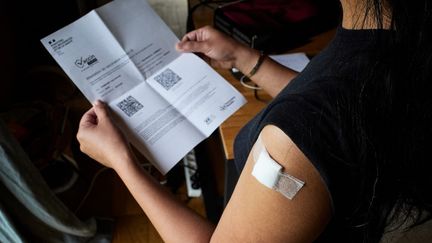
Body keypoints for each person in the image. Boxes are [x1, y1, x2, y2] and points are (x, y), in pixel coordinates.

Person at [76, 0, 432, 242]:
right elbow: (344, 117)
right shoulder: (402, 36)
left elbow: (319, 128)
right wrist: (245, 59)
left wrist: (123, 164)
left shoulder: (292, 151)